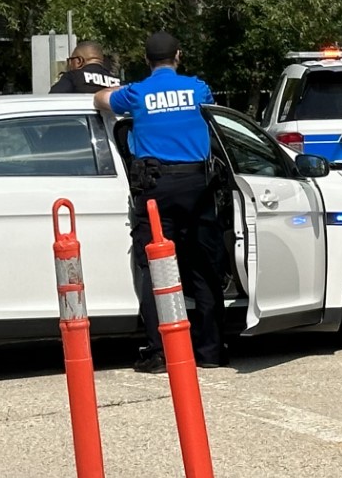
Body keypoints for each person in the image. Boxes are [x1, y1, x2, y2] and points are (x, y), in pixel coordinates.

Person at [96, 31, 225, 372]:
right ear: (178, 56)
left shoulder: (137, 93)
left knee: (154, 267)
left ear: (146, 60)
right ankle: (211, 351)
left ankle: (160, 352)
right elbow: (209, 108)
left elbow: (101, 100)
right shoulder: (197, 88)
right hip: (199, 186)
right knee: (203, 265)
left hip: (156, 189)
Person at [51, 40, 121, 95]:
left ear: (79, 61)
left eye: (71, 60)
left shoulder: (72, 77)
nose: (69, 64)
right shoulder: (118, 83)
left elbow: (52, 101)